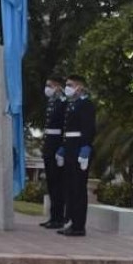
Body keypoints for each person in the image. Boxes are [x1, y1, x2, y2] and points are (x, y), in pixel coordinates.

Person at [56, 75, 96, 237]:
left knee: (79, 188)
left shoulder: (86, 105)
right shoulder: (73, 104)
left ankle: (79, 225)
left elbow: (88, 128)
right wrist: (64, 147)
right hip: (70, 148)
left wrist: (85, 147)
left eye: (70, 85)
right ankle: (71, 221)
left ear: (79, 87)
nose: (67, 88)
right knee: (70, 188)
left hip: (79, 148)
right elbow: (68, 129)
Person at [40, 75, 67, 229]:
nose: (47, 88)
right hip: (49, 142)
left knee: (57, 183)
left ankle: (58, 217)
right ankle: (53, 216)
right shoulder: (52, 102)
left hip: (57, 143)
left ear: (57, 86)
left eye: (50, 85)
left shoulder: (63, 102)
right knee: (51, 182)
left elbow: (65, 125)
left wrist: (62, 147)